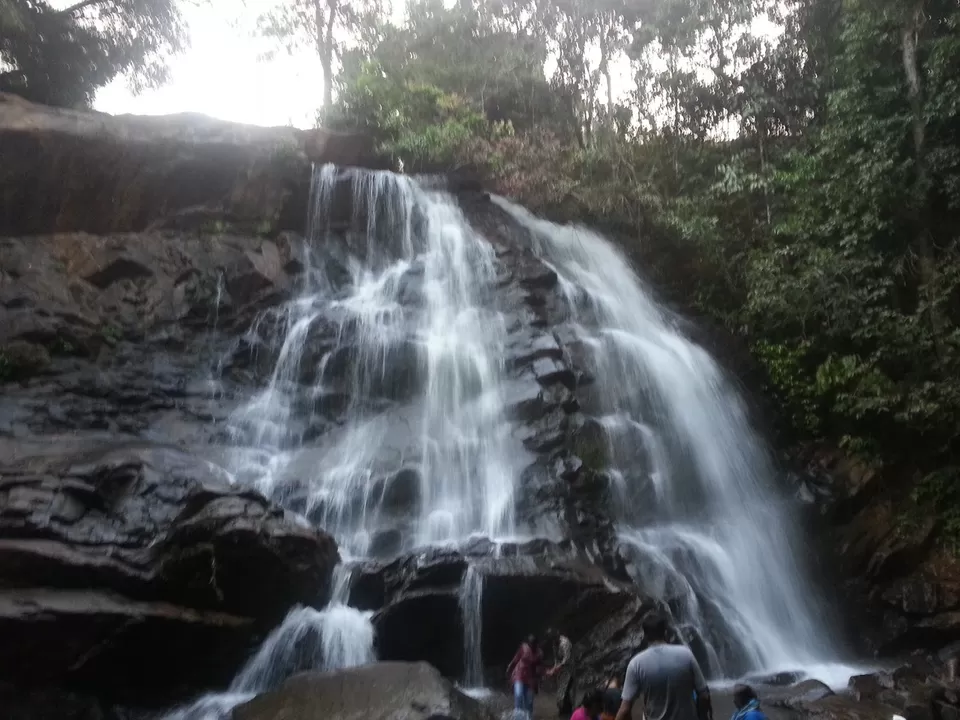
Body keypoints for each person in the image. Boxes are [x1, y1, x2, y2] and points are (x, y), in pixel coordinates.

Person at [613, 612, 712, 720]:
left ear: (645, 636)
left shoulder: (636, 664)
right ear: (666, 633)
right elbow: (704, 695)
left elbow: (625, 710)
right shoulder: (686, 654)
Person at [508, 634, 544, 719]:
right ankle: (518, 718)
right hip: (520, 675)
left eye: (534, 644)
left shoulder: (539, 653)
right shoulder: (523, 648)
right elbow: (516, 658)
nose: (531, 646)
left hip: (531, 678)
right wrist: (510, 666)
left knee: (529, 701)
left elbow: (540, 667)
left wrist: (540, 679)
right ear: (528, 644)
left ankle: (528, 718)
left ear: (537, 644)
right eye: (530, 644)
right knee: (519, 695)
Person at [546, 628, 577, 718]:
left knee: (566, 693)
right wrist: (554, 668)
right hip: (561, 671)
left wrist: (554, 670)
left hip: (569, 671)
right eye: (551, 639)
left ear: (557, 636)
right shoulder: (554, 643)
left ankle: (569, 713)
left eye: (553, 638)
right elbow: (556, 659)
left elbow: (566, 659)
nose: (552, 640)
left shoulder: (565, 643)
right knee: (561, 694)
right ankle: (564, 711)